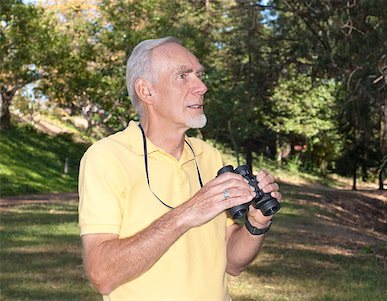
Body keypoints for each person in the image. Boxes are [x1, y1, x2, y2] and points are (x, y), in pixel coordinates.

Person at [78, 37, 282, 301]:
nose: (202, 87)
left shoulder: (209, 156)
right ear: (146, 91)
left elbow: (232, 263)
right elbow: (102, 274)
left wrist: (256, 223)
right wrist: (188, 212)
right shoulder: (106, 157)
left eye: (198, 75)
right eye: (183, 76)